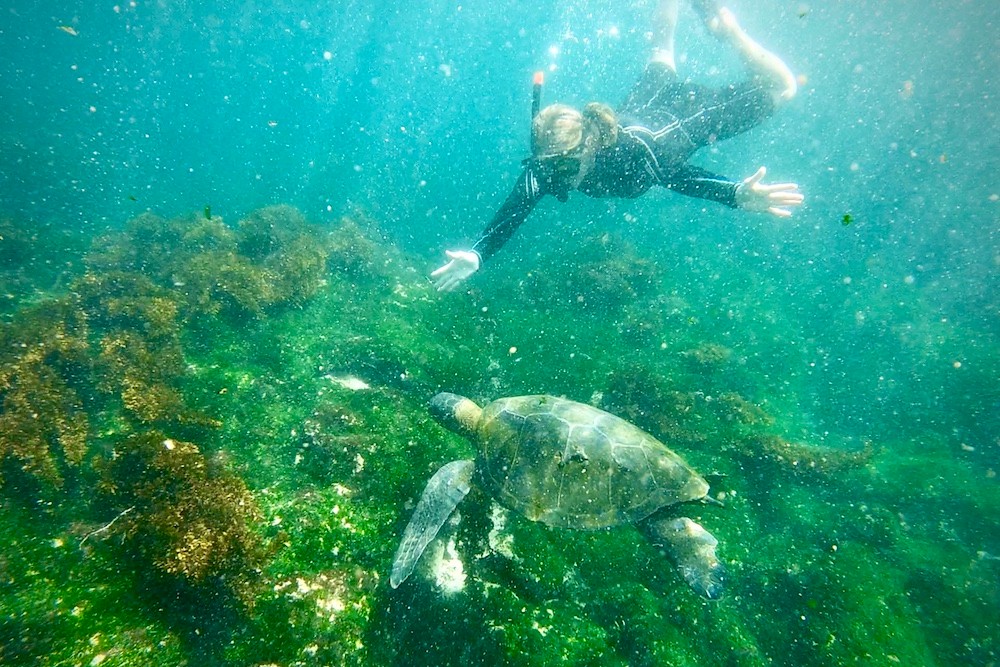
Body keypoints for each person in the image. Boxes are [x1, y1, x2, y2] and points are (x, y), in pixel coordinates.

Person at [432, 0, 803, 292]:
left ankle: (732, 32)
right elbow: (513, 211)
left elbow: (677, 177)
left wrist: (736, 194)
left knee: (783, 86)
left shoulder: (634, 152)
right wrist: (477, 255)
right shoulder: (548, 165)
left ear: (589, 144)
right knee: (661, 48)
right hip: (643, 101)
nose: (560, 177)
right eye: (551, 167)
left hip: (686, 119)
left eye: (566, 166)